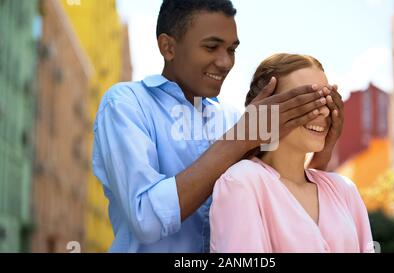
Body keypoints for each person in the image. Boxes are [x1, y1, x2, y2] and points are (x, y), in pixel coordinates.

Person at [92, 0, 343, 252]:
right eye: (211, 47)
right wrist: (240, 139)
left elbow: (285, 199)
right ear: (168, 47)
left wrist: (322, 151)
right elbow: (145, 218)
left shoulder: (234, 118)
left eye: (231, 50)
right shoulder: (125, 105)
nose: (225, 62)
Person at [210, 53, 373, 253]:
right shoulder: (243, 182)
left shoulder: (343, 189)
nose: (322, 111)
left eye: (326, 100)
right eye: (306, 99)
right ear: (267, 108)